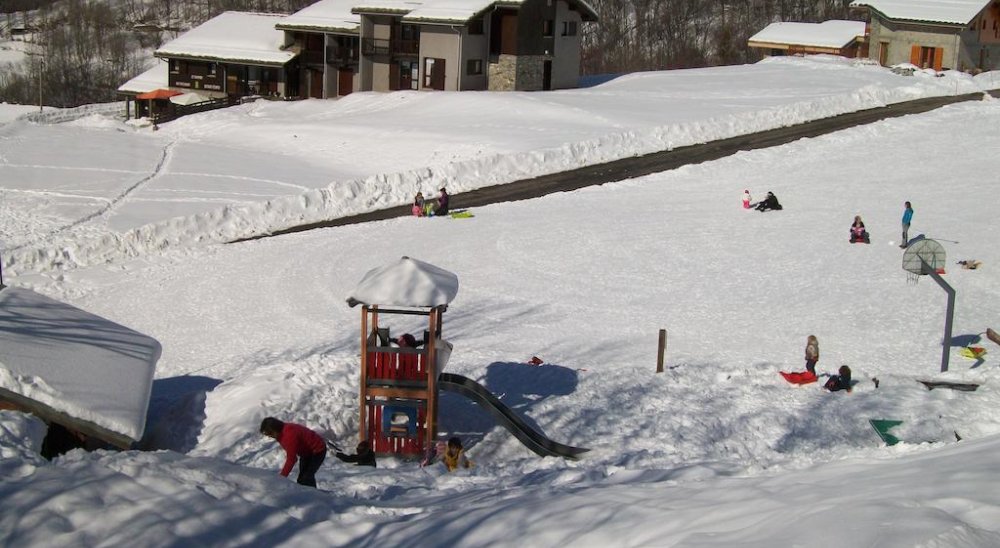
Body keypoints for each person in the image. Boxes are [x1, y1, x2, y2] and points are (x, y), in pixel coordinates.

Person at [259, 417, 327, 488]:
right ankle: (308, 495)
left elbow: (292, 459)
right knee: (301, 480)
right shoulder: (281, 434)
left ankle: (314, 496)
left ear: (275, 429)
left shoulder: (289, 434)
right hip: (306, 453)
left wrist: (281, 478)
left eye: (270, 433)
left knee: (306, 478)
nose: (270, 436)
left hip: (317, 450)